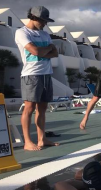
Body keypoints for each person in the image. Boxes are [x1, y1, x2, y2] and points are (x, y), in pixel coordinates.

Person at [15, 6, 59, 151]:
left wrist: (42, 51)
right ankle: (27, 142)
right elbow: (34, 51)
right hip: (31, 75)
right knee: (29, 108)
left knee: (43, 108)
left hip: (46, 74)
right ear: (33, 17)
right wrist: (44, 50)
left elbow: (55, 53)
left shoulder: (45, 35)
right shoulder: (21, 32)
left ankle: (42, 139)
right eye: (43, 20)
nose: (45, 23)